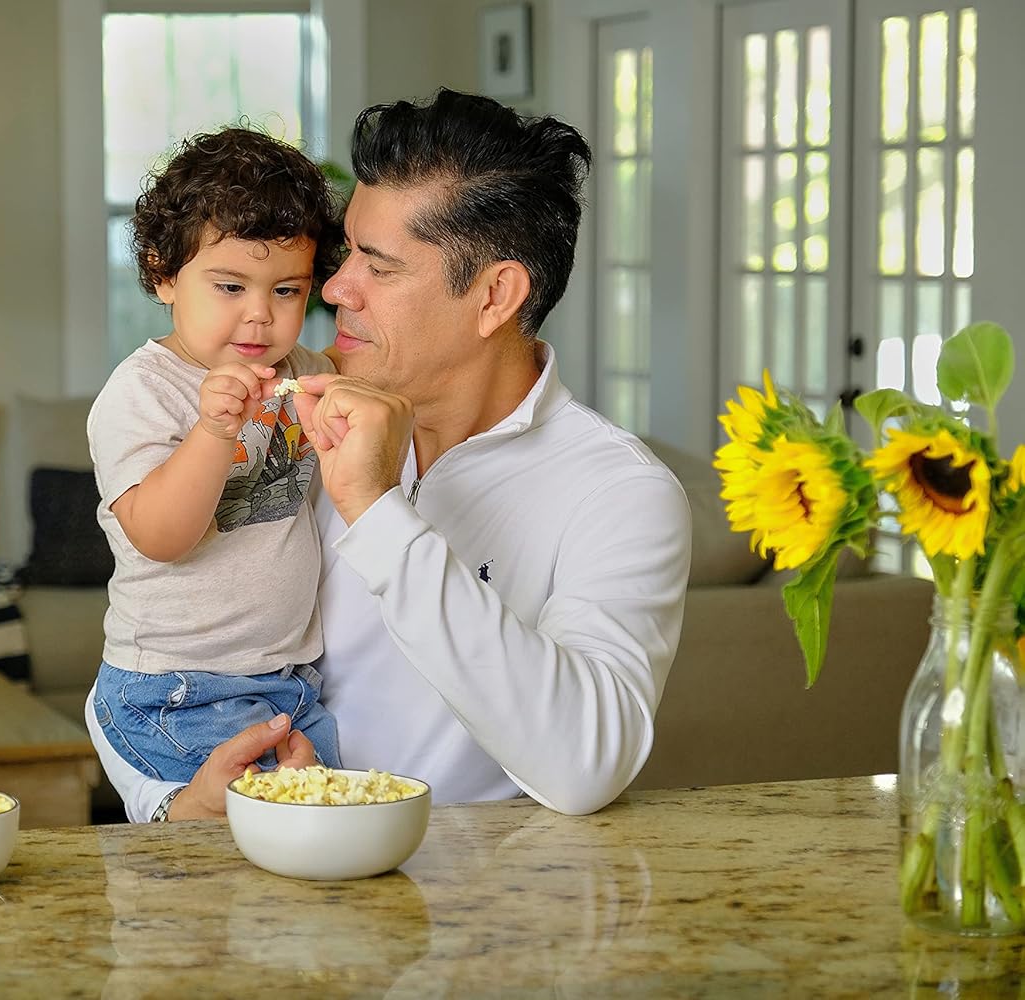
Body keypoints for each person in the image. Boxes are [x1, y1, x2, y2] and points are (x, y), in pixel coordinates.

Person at [88, 89, 693, 822]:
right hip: (284, 897)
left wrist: (377, 511)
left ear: (496, 295)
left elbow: (586, 765)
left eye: (378, 265)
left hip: (487, 908)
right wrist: (175, 805)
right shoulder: (296, 406)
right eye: (345, 257)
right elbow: (163, 642)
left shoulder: (618, 493)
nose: (333, 289)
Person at [87, 126, 346, 786]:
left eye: (286, 290)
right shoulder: (144, 391)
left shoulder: (303, 370)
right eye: (231, 287)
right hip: (175, 690)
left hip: (285, 685)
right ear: (162, 274)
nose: (260, 316)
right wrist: (211, 432)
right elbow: (161, 536)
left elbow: (371, 383)